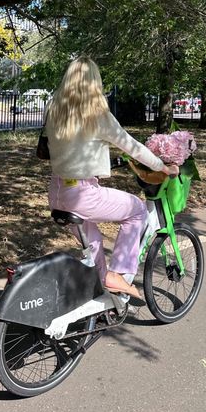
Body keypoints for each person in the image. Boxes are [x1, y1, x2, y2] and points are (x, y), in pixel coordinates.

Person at [45, 56, 179, 299]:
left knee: (93, 243)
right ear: (94, 83)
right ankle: (119, 274)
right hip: (83, 194)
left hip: (56, 193)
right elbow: (132, 146)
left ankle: (101, 295)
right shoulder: (97, 115)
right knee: (137, 210)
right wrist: (163, 167)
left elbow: (63, 148)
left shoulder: (54, 110)